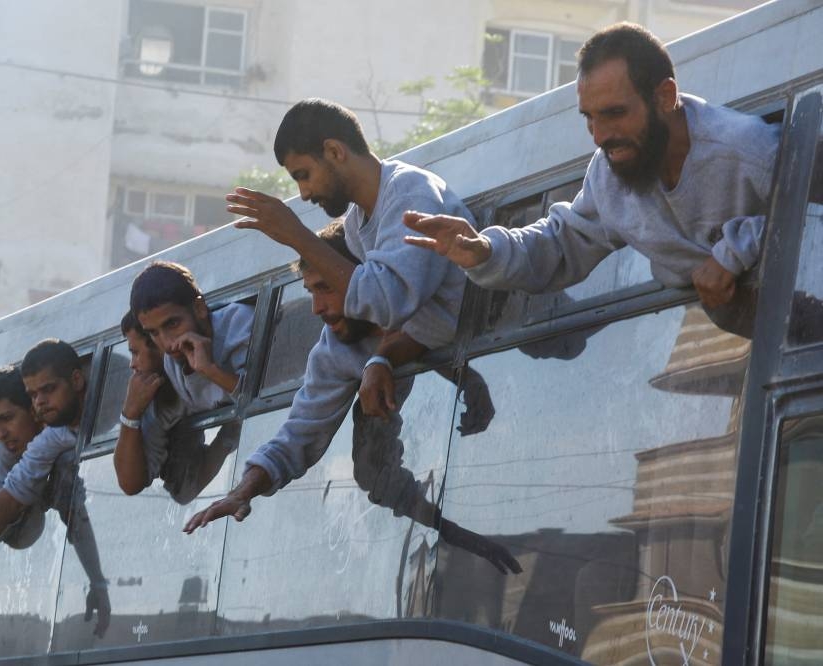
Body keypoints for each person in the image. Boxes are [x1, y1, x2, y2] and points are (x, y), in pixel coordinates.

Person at [403, 22, 780, 337]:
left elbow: (804, 215)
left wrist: (736, 251)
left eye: (615, 113)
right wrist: (485, 250)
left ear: (665, 97)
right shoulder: (608, 175)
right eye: (589, 118)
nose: (599, 137)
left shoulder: (747, 148)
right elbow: (560, 244)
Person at [184, 221, 520, 575]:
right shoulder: (335, 350)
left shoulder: (434, 287)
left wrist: (465, 379)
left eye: (325, 288)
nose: (316, 308)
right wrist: (242, 491)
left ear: (364, 279)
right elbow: (297, 437)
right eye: (310, 291)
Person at [224, 97, 470, 413]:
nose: (304, 193)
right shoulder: (355, 225)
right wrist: (380, 360)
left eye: (304, 175)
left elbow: (387, 302)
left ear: (334, 151)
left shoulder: (410, 192)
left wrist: (297, 236)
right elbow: (403, 322)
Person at [0, 340, 109, 636]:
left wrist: (97, 581)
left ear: (34, 410)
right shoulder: (6, 454)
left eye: (6, 418)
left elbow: (77, 517)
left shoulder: (64, 431)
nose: (0, 433)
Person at [112, 310, 238, 504]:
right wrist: (130, 413)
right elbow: (131, 483)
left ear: (159, 345)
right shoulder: (156, 398)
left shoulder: (220, 353)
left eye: (135, 352)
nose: (132, 364)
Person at [130, 260, 254, 414]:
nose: (168, 344)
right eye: (154, 333)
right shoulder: (172, 362)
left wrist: (210, 370)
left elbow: (262, 399)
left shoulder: (240, 323)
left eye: (173, 324)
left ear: (199, 308)